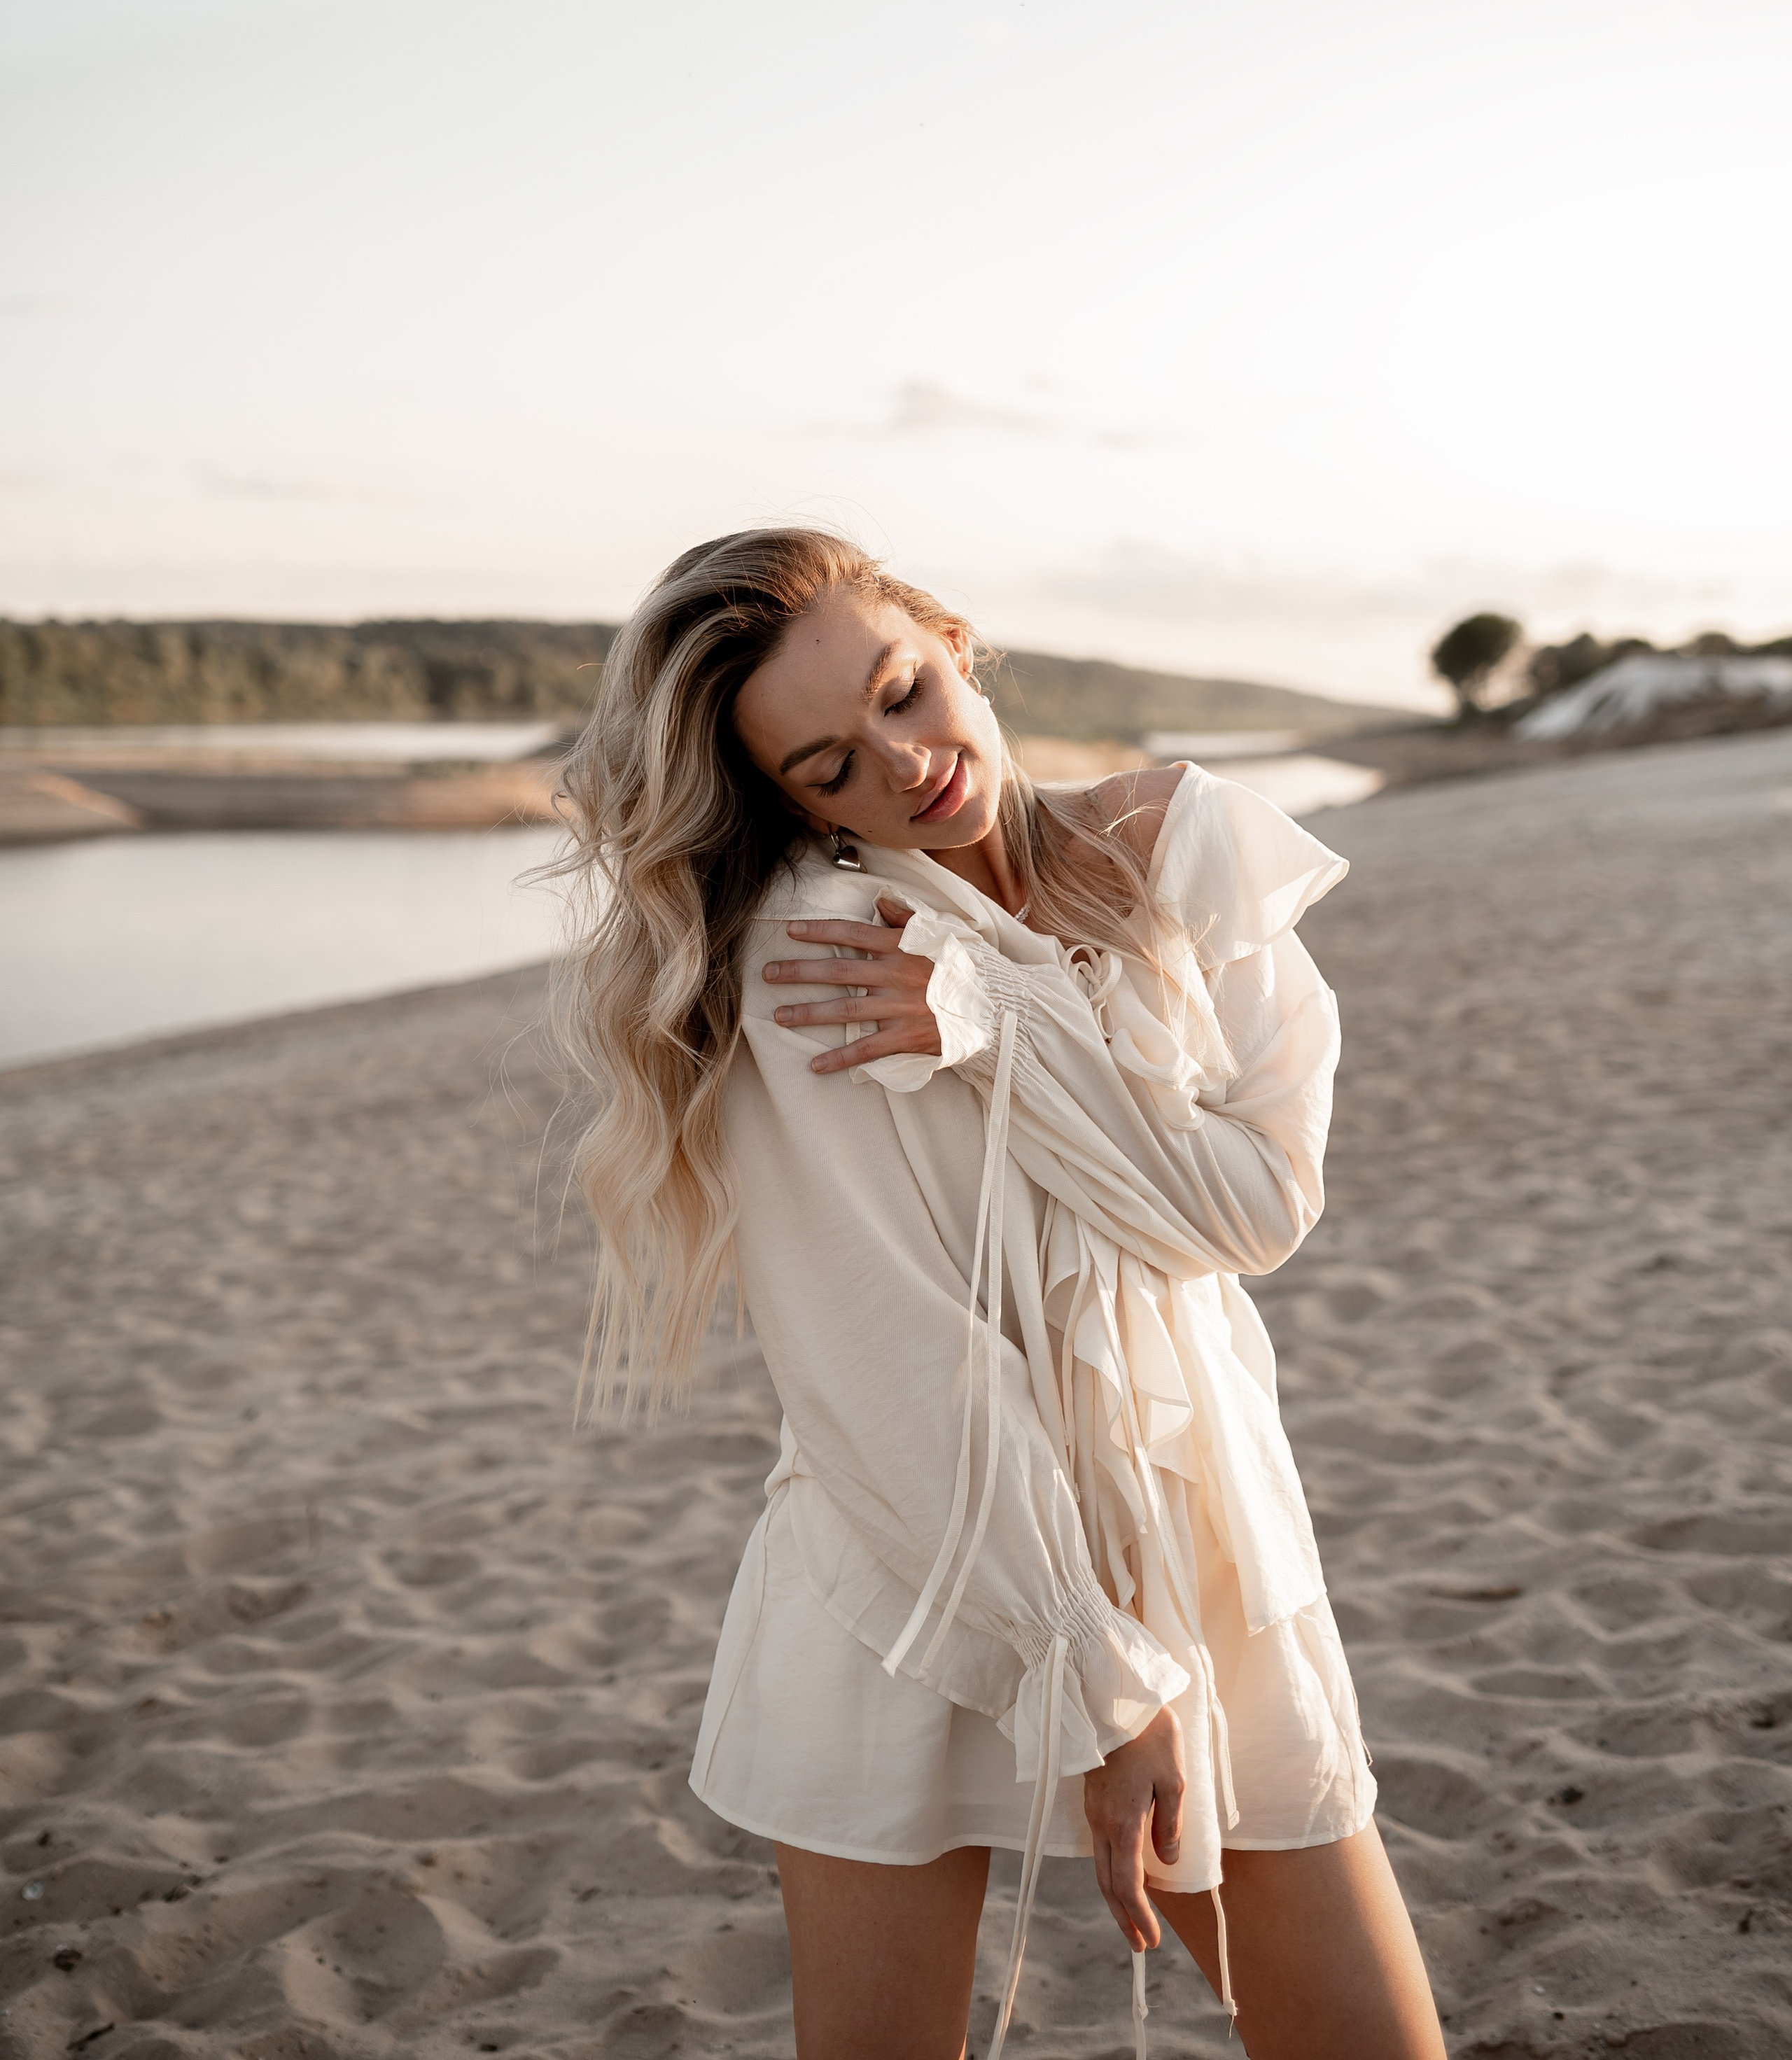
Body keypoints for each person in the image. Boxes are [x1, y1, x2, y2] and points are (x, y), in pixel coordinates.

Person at [554, 527, 1446, 2060]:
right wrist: (1095, 1682)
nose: (905, 767)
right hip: (926, 1577)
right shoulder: (823, 955)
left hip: (1200, 1548)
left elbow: (1248, 1210)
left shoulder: (1183, 845)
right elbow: (888, 1365)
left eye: (904, 691)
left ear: (952, 639)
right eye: (830, 765)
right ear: (788, 804)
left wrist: (1000, 1020)